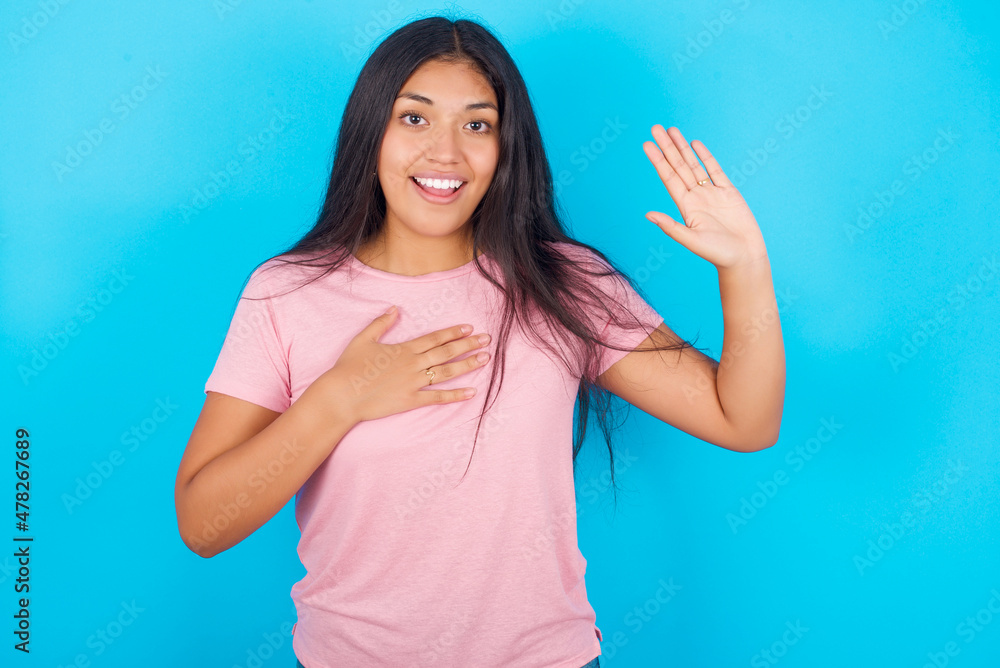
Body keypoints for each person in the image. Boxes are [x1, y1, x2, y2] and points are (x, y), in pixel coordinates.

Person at [173, 15, 785, 668]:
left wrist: (744, 267)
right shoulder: (287, 293)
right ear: (370, 132)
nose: (445, 153)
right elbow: (204, 525)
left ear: (505, 147)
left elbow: (742, 420)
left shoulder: (563, 283)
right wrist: (339, 399)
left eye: (477, 124)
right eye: (415, 119)